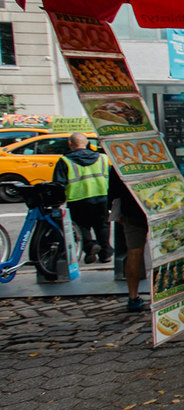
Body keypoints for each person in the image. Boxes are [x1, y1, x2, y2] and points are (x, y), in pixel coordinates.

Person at [52, 132, 111, 264]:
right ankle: (105, 254)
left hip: (77, 200)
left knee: (81, 227)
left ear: (69, 143)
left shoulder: (65, 161)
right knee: (102, 226)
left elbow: (59, 184)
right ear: (87, 143)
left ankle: (89, 247)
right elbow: (112, 179)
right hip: (101, 197)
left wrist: (57, 203)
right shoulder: (102, 158)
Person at [108, 168, 148, 312]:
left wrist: (112, 209)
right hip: (159, 206)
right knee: (165, 251)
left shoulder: (119, 154)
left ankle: (133, 296)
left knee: (134, 252)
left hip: (131, 209)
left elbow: (113, 189)